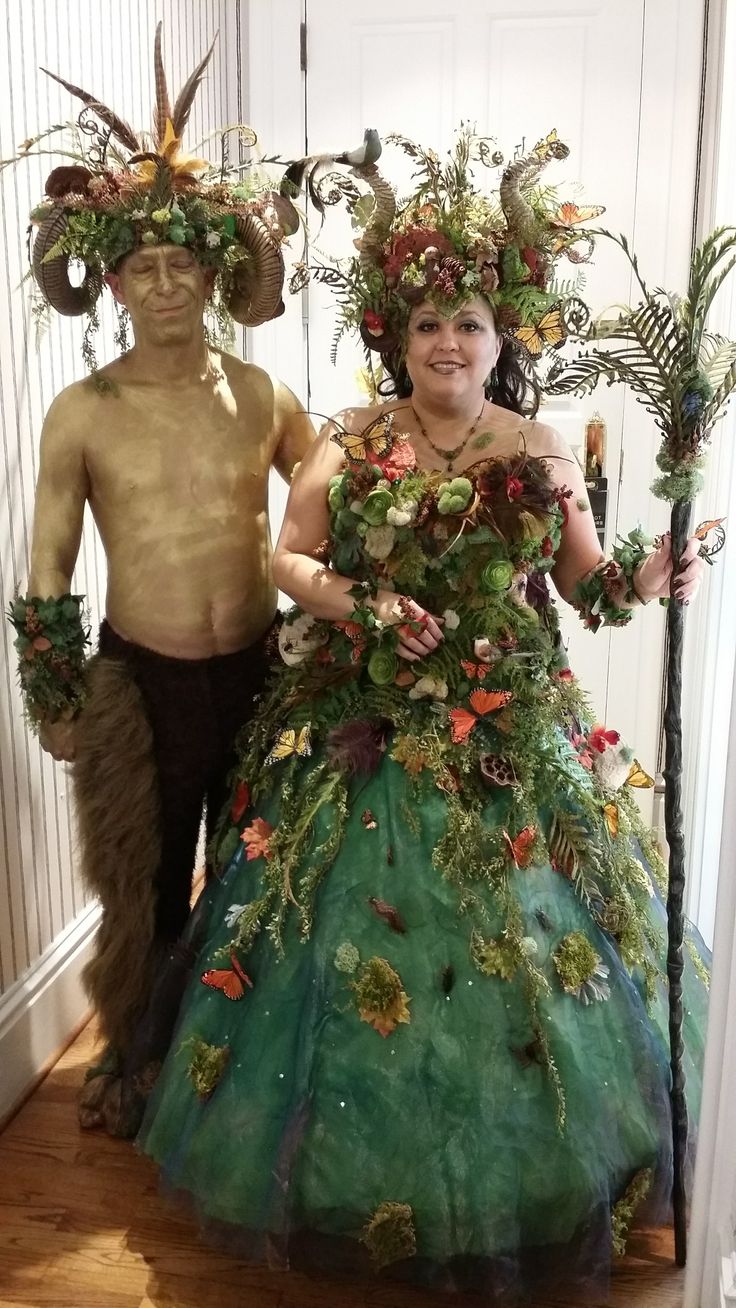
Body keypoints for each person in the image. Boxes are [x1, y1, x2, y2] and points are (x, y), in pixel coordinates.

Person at [138, 130, 709, 1302]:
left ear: (503, 341)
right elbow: (287, 557)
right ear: (394, 335)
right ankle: (341, 1171)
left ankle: (537, 1170)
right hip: (367, 724)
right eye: (427, 324)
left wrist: (650, 578)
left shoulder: (539, 449)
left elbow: (590, 592)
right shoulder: (350, 442)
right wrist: (363, 599)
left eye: (471, 325)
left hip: (508, 737)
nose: (449, 344)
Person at [8, 28, 315, 1136]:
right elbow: (44, 565)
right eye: (143, 266)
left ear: (216, 272)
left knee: (257, 878)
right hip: (139, 687)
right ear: (114, 282)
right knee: (142, 889)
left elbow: (335, 505)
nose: (168, 280)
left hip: (258, 678)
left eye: (186, 261)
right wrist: (54, 700)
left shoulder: (265, 394)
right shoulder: (83, 412)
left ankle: (242, 1068)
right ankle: (132, 1061)